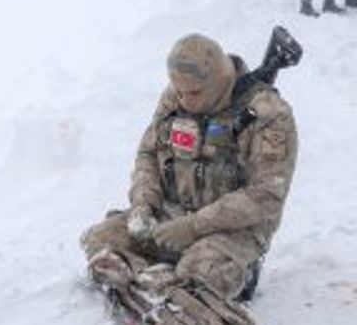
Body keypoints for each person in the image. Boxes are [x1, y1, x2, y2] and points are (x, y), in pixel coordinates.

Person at [80, 34, 298, 311]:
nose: (183, 99)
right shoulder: (179, 93)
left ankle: (174, 284)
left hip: (231, 230)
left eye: (193, 93)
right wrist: (143, 206)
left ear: (219, 83)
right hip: (171, 215)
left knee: (200, 274)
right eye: (178, 90)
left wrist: (194, 226)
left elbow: (267, 194)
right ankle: (155, 282)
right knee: (101, 238)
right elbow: (149, 153)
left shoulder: (269, 115)